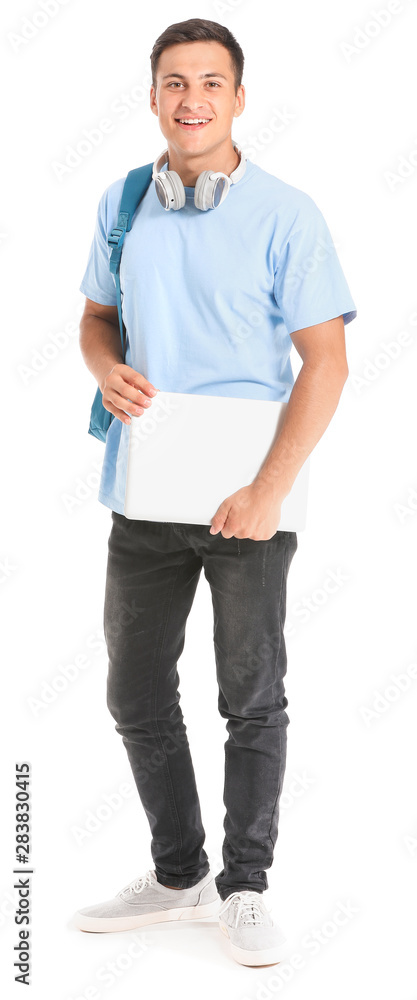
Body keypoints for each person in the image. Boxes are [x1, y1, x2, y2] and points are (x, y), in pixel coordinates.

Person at [74, 17, 357, 968]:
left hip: (248, 496)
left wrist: (268, 488)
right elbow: (95, 322)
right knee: (133, 691)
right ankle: (176, 871)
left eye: (209, 81)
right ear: (151, 96)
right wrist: (104, 368)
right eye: (172, 82)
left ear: (239, 97)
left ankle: (243, 886)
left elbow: (325, 362)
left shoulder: (287, 213)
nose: (190, 97)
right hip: (144, 489)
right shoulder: (123, 204)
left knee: (251, 695)